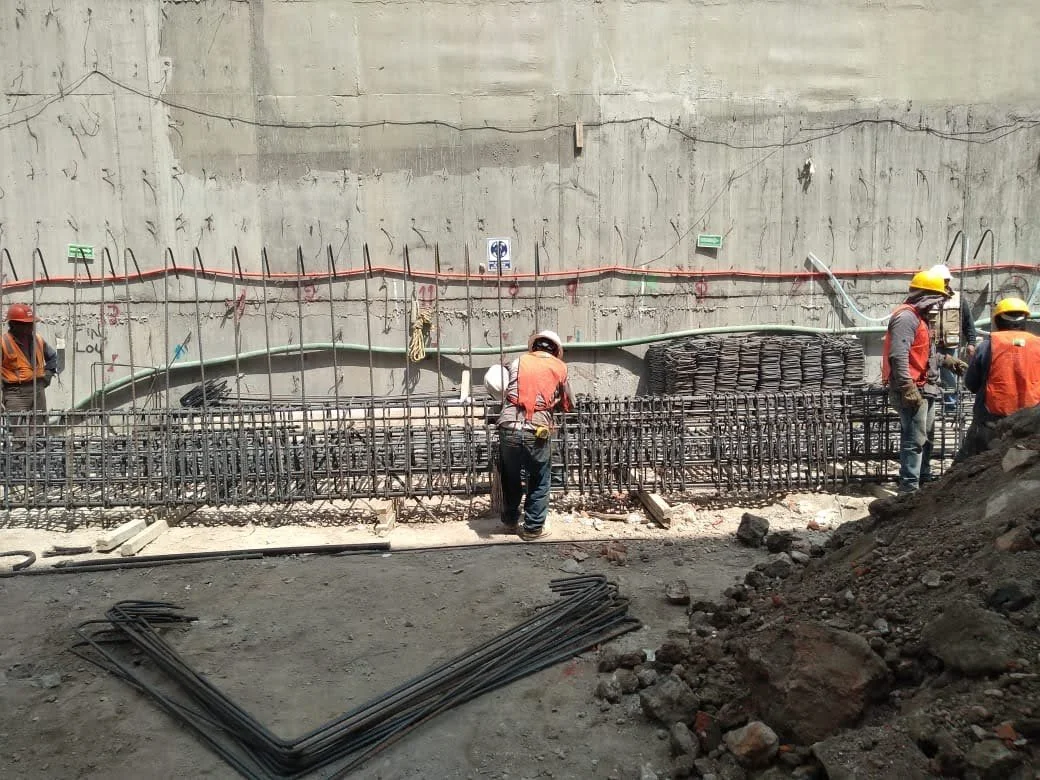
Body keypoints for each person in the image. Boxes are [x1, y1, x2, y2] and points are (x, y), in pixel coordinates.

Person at [882, 269, 966, 493]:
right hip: (911, 388)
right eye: (936, 300)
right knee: (914, 440)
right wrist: (907, 387)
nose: (937, 306)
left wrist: (946, 360)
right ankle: (909, 489)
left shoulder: (920, 319)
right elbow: (898, 355)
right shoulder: (906, 317)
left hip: (925, 387)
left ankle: (924, 481)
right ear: (926, 296)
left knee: (926, 438)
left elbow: (923, 354)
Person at [496, 330, 574, 540]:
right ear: (556, 350)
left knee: (510, 477)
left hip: (508, 426)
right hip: (537, 430)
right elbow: (568, 403)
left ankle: (510, 522)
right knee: (539, 478)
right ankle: (532, 528)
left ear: (534, 346)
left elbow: (502, 388)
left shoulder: (517, 361)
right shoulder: (560, 367)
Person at [955, 298, 1040, 461]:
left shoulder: (987, 346)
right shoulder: (1038, 344)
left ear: (998, 320)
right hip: (1031, 421)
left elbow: (971, 383)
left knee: (969, 463)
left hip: (991, 421)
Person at [1, 304, 58, 440]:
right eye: (26, 324)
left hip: (37, 390)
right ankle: (19, 460)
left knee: (37, 433)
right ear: (14, 325)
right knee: (20, 434)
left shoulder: (37, 339)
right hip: (16, 393)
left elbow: (52, 357)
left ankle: (36, 460)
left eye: (31, 323)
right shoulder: (3, 342)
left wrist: (48, 376)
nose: (30, 327)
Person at [928, 264, 977, 411]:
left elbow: (968, 322)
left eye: (945, 280)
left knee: (949, 376)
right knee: (929, 375)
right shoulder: (927, 298)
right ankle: (931, 404)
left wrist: (971, 342)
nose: (944, 283)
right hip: (931, 345)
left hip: (949, 345)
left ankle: (951, 407)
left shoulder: (958, 299)